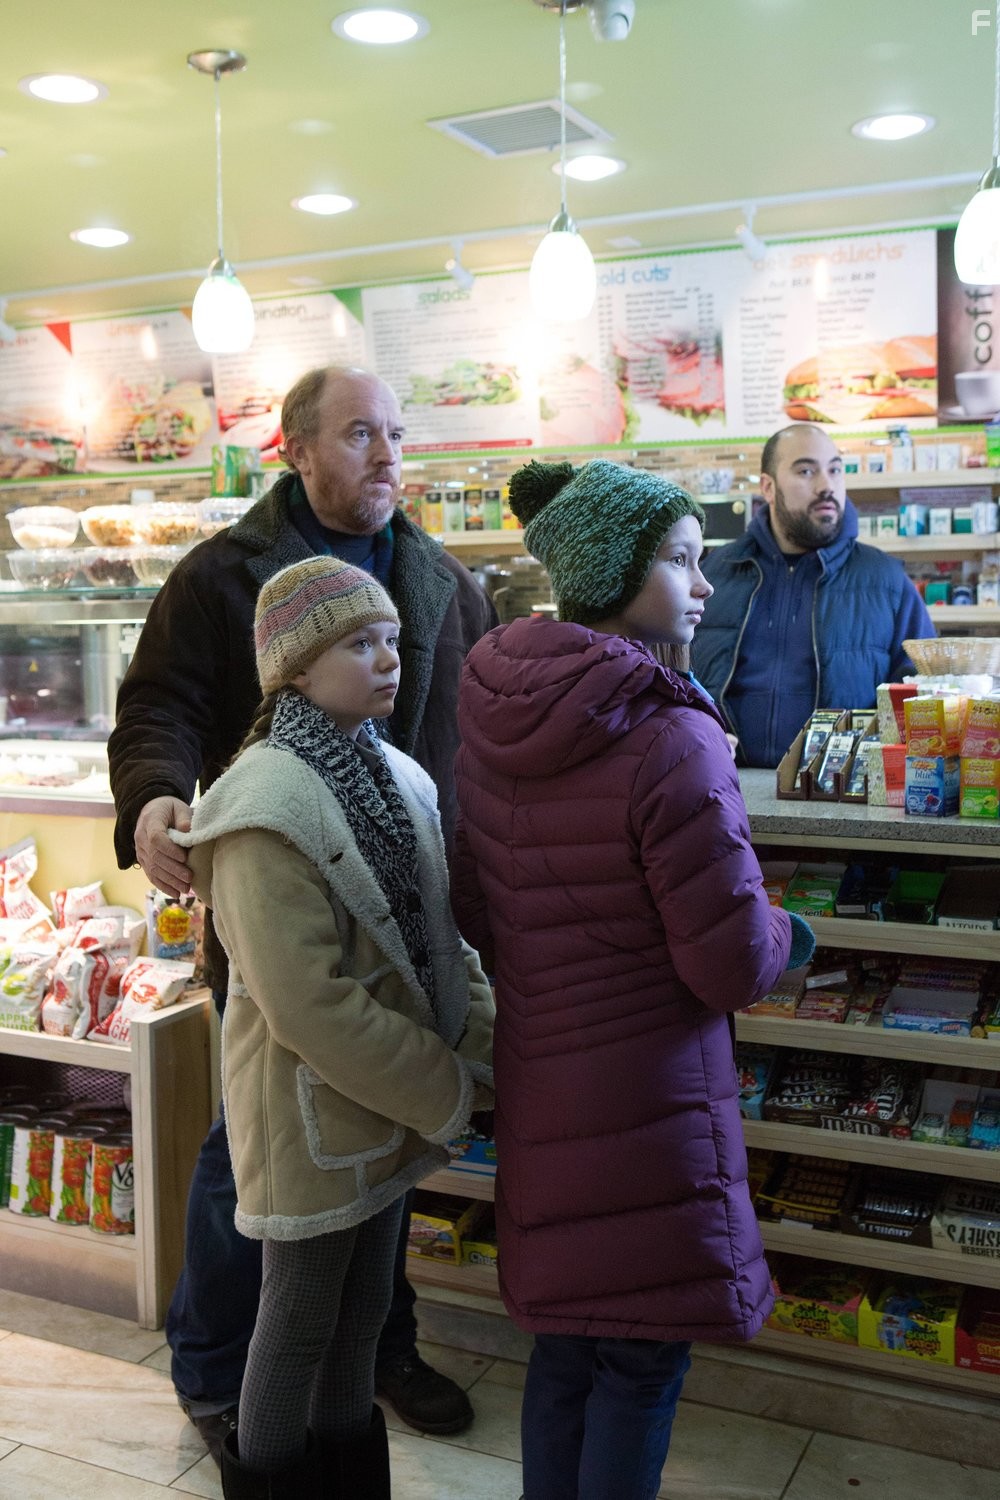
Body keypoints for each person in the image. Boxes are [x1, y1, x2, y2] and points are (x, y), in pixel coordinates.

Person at [108, 365, 497, 1463]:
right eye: (360, 433)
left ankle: (381, 1352)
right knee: (260, 1149)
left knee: (384, 1154)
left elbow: (472, 734)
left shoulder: (440, 578)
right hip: (285, 911)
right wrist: (153, 799)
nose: (387, 454)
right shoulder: (221, 577)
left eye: (396, 434)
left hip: (413, 908)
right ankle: (216, 1364)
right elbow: (159, 710)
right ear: (296, 450)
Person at [449, 458, 815, 1500]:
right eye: (682, 561)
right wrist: (796, 935)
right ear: (613, 570)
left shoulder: (490, 715)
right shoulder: (670, 733)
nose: (705, 586)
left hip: (545, 1082)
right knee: (642, 1358)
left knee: (567, 1347)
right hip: (651, 1104)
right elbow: (731, 960)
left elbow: (475, 904)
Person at [172, 556, 495, 1498]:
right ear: (295, 671)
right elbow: (308, 1002)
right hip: (314, 1116)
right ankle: (270, 1478)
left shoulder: (396, 774)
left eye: (393, 638)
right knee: (299, 1318)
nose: (389, 660)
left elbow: (443, 941)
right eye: (359, 644)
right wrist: (447, 1086)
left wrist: (479, 1048)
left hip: (390, 1110)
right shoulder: (259, 806)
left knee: (363, 1321)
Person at [690, 422, 935, 767]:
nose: (826, 485)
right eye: (806, 470)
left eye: (835, 470)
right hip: (722, 787)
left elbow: (920, 696)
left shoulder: (887, 582)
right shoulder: (715, 576)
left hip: (840, 799)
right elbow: (672, 682)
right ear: (768, 487)